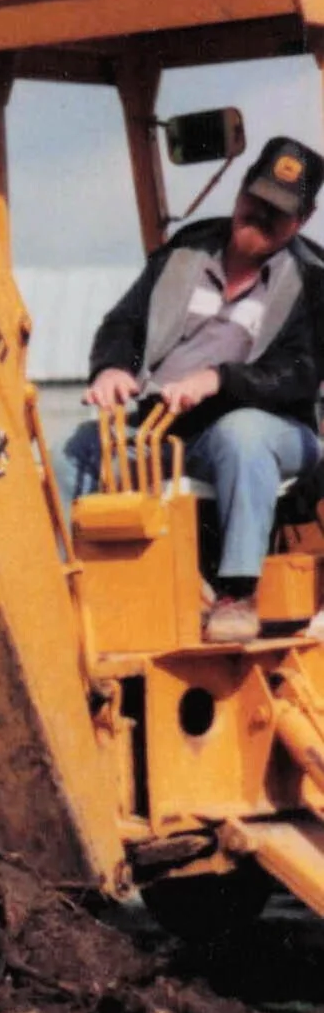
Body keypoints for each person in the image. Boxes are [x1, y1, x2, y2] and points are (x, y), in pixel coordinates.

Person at [60, 135, 324, 641]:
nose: (262, 215)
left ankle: (237, 594)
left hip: (275, 432)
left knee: (241, 436)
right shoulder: (183, 252)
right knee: (71, 450)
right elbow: (125, 323)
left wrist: (220, 380)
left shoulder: (313, 280)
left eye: (280, 211)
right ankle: (59, 591)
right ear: (241, 190)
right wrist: (113, 368)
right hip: (167, 429)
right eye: (256, 200)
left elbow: (303, 372)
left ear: (303, 220)